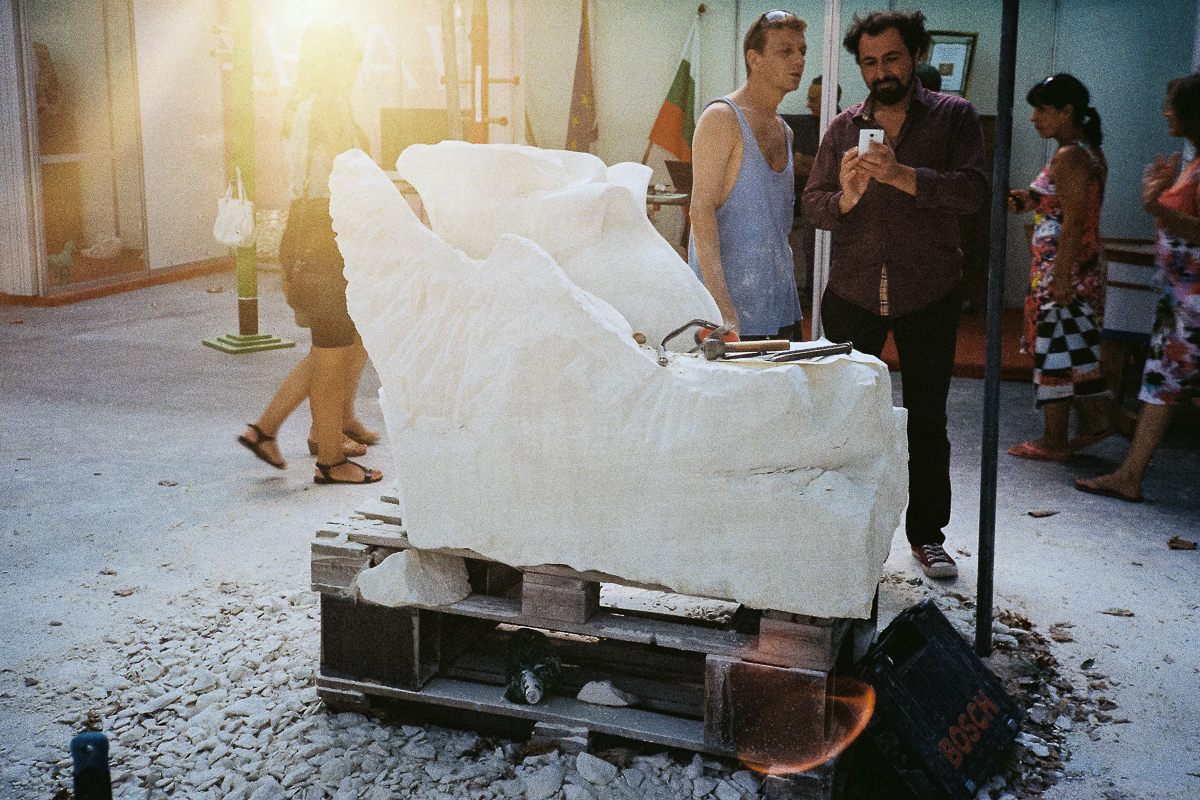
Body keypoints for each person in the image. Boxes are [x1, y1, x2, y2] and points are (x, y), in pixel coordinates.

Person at [801, 10, 988, 579]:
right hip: (853, 291)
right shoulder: (842, 128)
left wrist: (902, 175)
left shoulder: (955, 116)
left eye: (892, 58)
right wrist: (847, 197)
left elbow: (974, 193)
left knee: (927, 420)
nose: (881, 72)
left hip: (928, 291)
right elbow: (813, 204)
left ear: (916, 55)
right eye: (869, 62)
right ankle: (838, 530)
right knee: (843, 418)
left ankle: (927, 536)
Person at [238, 22, 382, 485]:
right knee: (334, 349)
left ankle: (281, 431)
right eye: (349, 58)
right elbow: (349, 172)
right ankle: (330, 460)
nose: (354, 67)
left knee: (336, 345)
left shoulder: (304, 100)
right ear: (331, 60)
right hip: (325, 232)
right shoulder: (328, 103)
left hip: (309, 229)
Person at [1075, 73, 1200, 502]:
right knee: (1160, 385)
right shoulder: (1193, 162)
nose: (1165, 112)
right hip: (1180, 303)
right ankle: (1129, 474)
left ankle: (1129, 475)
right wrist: (1161, 195)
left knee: (1162, 385)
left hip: (1192, 305)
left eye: (1173, 105)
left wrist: (1156, 205)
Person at [1007, 74, 1112, 462]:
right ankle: (1092, 422)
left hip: (1066, 270)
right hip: (1071, 268)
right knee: (1069, 350)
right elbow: (1060, 204)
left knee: (1055, 351)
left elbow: (1074, 220)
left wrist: (1062, 276)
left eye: (1042, 109)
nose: (1034, 117)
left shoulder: (1071, 156)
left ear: (1067, 111)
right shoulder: (1084, 152)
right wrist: (1030, 201)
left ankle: (1054, 439)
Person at [689, 10, 807, 340]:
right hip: (731, 316)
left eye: (802, 51)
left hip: (780, 308)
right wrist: (723, 311)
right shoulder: (721, 118)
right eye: (786, 51)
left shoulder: (785, 132)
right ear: (754, 59)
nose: (798, 60)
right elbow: (700, 213)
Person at [785, 76, 841, 299]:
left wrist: (809, 163)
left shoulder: (843, 126)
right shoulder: (806, 124)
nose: (808, 105)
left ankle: (828, 296)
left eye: (814, 99)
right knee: (810, 248)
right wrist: (813, 163)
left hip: (834, 200)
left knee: (830, 250)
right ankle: (810, 295)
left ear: (829, 99)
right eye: (808, 98)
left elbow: (836, 171)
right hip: (804, 198)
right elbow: (797, 163)